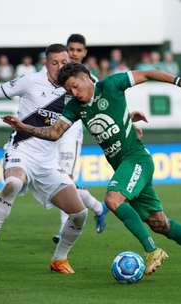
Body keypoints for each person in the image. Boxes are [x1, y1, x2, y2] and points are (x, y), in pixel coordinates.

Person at [2, 63, 181, 277]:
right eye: (69, 90)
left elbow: (147, 73)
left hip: (137, 159)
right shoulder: (74, 107)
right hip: (123, 166)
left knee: (113, 200)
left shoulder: (112, 85)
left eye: (75, 86)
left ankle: (153, 251)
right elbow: (54, 133)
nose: (74, 92)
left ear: (87, 77)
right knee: (159, 223)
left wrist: (180, 81)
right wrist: (23, 127)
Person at [0, 44, 89, 275]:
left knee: (79, 213)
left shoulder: (74, 88)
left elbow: (103, 105)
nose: (61, 66)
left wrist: (128, 122)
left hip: (48, 163)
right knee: (14, 183)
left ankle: (59, 259)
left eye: (64, 62)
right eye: (55, 63)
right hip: (22, 151)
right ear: (46, 63)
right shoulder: (30, 81)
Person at [51, 34, 107, 245]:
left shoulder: (89, 78)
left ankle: (64, 229)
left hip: (71, 133)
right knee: (54, 182)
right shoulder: (53, 74)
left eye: (78, 50)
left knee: (65, 181)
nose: (74, 53)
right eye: (71, 49)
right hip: (51, 133)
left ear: (84, 53)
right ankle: (97, 207)